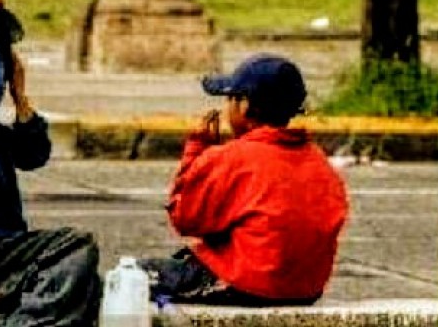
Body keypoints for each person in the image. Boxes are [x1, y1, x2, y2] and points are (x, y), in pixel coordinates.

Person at [140, 53, 349, 307]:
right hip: (306, 289)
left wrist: (197, 149)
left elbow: (185, 218)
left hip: (248, 284)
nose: (227, 107)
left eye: (230, 98)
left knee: (134, 276)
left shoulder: (233, 157)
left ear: (245, 105)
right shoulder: (318, 160)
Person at [0, 0, 101, 325]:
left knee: (85, 284)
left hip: (0, 255)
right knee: (75, 247)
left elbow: (32, 155)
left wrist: (21, 100)